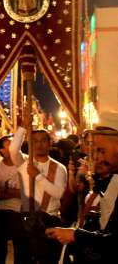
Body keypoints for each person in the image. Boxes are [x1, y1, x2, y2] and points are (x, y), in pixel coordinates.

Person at [45, 111, 118, 263]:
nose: (95, 158)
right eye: (93, 151)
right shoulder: (107, 180)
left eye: (101, 151)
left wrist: (76, 235)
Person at [10, 126, 67, 263]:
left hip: (48, 221)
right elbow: (13, 149)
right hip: (26, 219)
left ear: (49, 143)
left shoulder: (59, 167)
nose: (39, 144)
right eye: (35, 141)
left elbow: (58, 193)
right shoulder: (24, 163)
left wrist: (38, 176)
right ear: (30, 144)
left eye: (43, 141)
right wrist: (23, 127)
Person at [0, 134, 29, 263]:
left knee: (22, 249)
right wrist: (15, 192)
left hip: (22, 212)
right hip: (2, 212)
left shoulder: (27, 162)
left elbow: (29, 192)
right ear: (2, 150)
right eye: (10, 145)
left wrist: (6, 190)